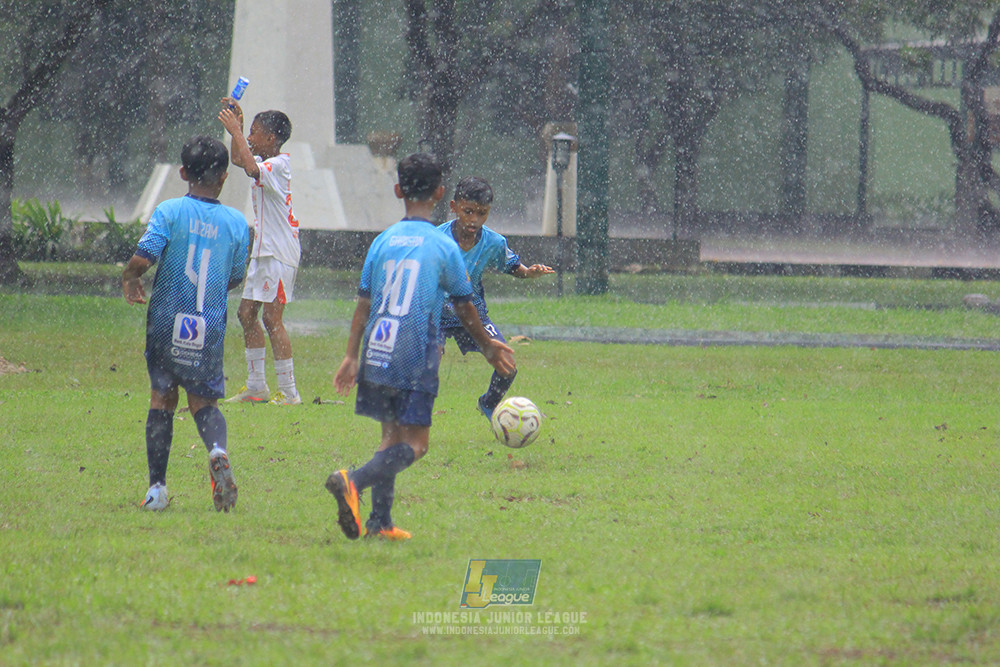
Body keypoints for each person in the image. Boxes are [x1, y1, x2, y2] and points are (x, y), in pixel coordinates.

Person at [326, 153, 517, 541]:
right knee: (416, 444)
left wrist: (350, 355)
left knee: (390, 438)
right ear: (441, 193)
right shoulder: (442, 245)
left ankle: (380, 523)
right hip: (414, 349)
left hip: (379, 347)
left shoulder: (382, 241)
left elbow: (363, 303)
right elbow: (464, 307)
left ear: (398, 190)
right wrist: (488, 346)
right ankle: (353, 480)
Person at [122, 136, 250, 512]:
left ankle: (157, 490)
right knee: (204, 401)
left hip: (166, 321)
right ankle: (217, 450)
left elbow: (144, 259)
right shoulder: (236, 223)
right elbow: (235, 275)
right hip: (205, 325)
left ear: (182, 173)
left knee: (163, 398)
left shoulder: (170, 211)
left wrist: (130, 278)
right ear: (225, 177)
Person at [438, 176, 554, 417]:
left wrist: (528, 273)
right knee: (428, 361)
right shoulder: (436, 240)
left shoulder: (493, 242)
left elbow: (513, 266)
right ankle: (413, 416)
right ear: (453, 207)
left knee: (507, 365)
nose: (474, 220)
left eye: (482, 213)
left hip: (472, 314)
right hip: (434, 313)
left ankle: (489, 404)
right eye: (468, 211)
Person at [218, 100, 302, 405]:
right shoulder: (264, 161)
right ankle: (256, 386)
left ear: (272, 139)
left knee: (271, 318)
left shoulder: (279, 165)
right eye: (248, 133)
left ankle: (290, 392)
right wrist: (235, 132)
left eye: (254, 133)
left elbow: (251, 167)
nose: (250, 139)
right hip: (263, 251)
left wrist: (236, 129)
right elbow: (240, 161)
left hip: (279, 253)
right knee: (246, 313)